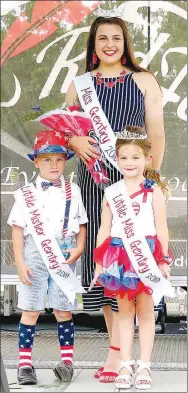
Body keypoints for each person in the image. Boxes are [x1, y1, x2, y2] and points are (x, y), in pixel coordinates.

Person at [65, 12, 165, 382]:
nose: (109, 44)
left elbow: (156, 134)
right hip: (94, 184)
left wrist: (149, 180)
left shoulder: (143, 80)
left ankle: (135, 355)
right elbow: (67, 133)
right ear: (93, 45)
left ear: (125, 44)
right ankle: (117, 351)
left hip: (135, 184)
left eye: (116, 38)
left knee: (134, 263)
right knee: (105, 261)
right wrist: (72, 140)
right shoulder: (80, 84)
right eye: (102, 38)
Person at [91, 135, 173, 390]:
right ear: (116, 160)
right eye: (123, 157)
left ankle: (145, 366)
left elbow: (162, 228)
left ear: (147, 159)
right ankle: (125, 364)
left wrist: (164, 259)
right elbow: (104, 230)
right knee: (124, 315)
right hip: (119, 257)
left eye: (135, 157)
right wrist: (99, 263)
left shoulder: (153, 190)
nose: (129, 162)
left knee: (146, 314)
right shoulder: (111, 192)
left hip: (146, 255)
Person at [7, 130, 88, 385]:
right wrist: (20, 262)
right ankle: (25, 365)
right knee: (30, 310)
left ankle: (66, 363)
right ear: (36, 162)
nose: (54, 165)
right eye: (47, 160)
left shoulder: (73, 190)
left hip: (64, 252)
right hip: (34, 252)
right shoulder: (25, 194)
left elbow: (82, 224)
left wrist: (80, 247)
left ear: (65, 161)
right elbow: (17, 230)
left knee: (63, 310)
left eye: (59, 159)